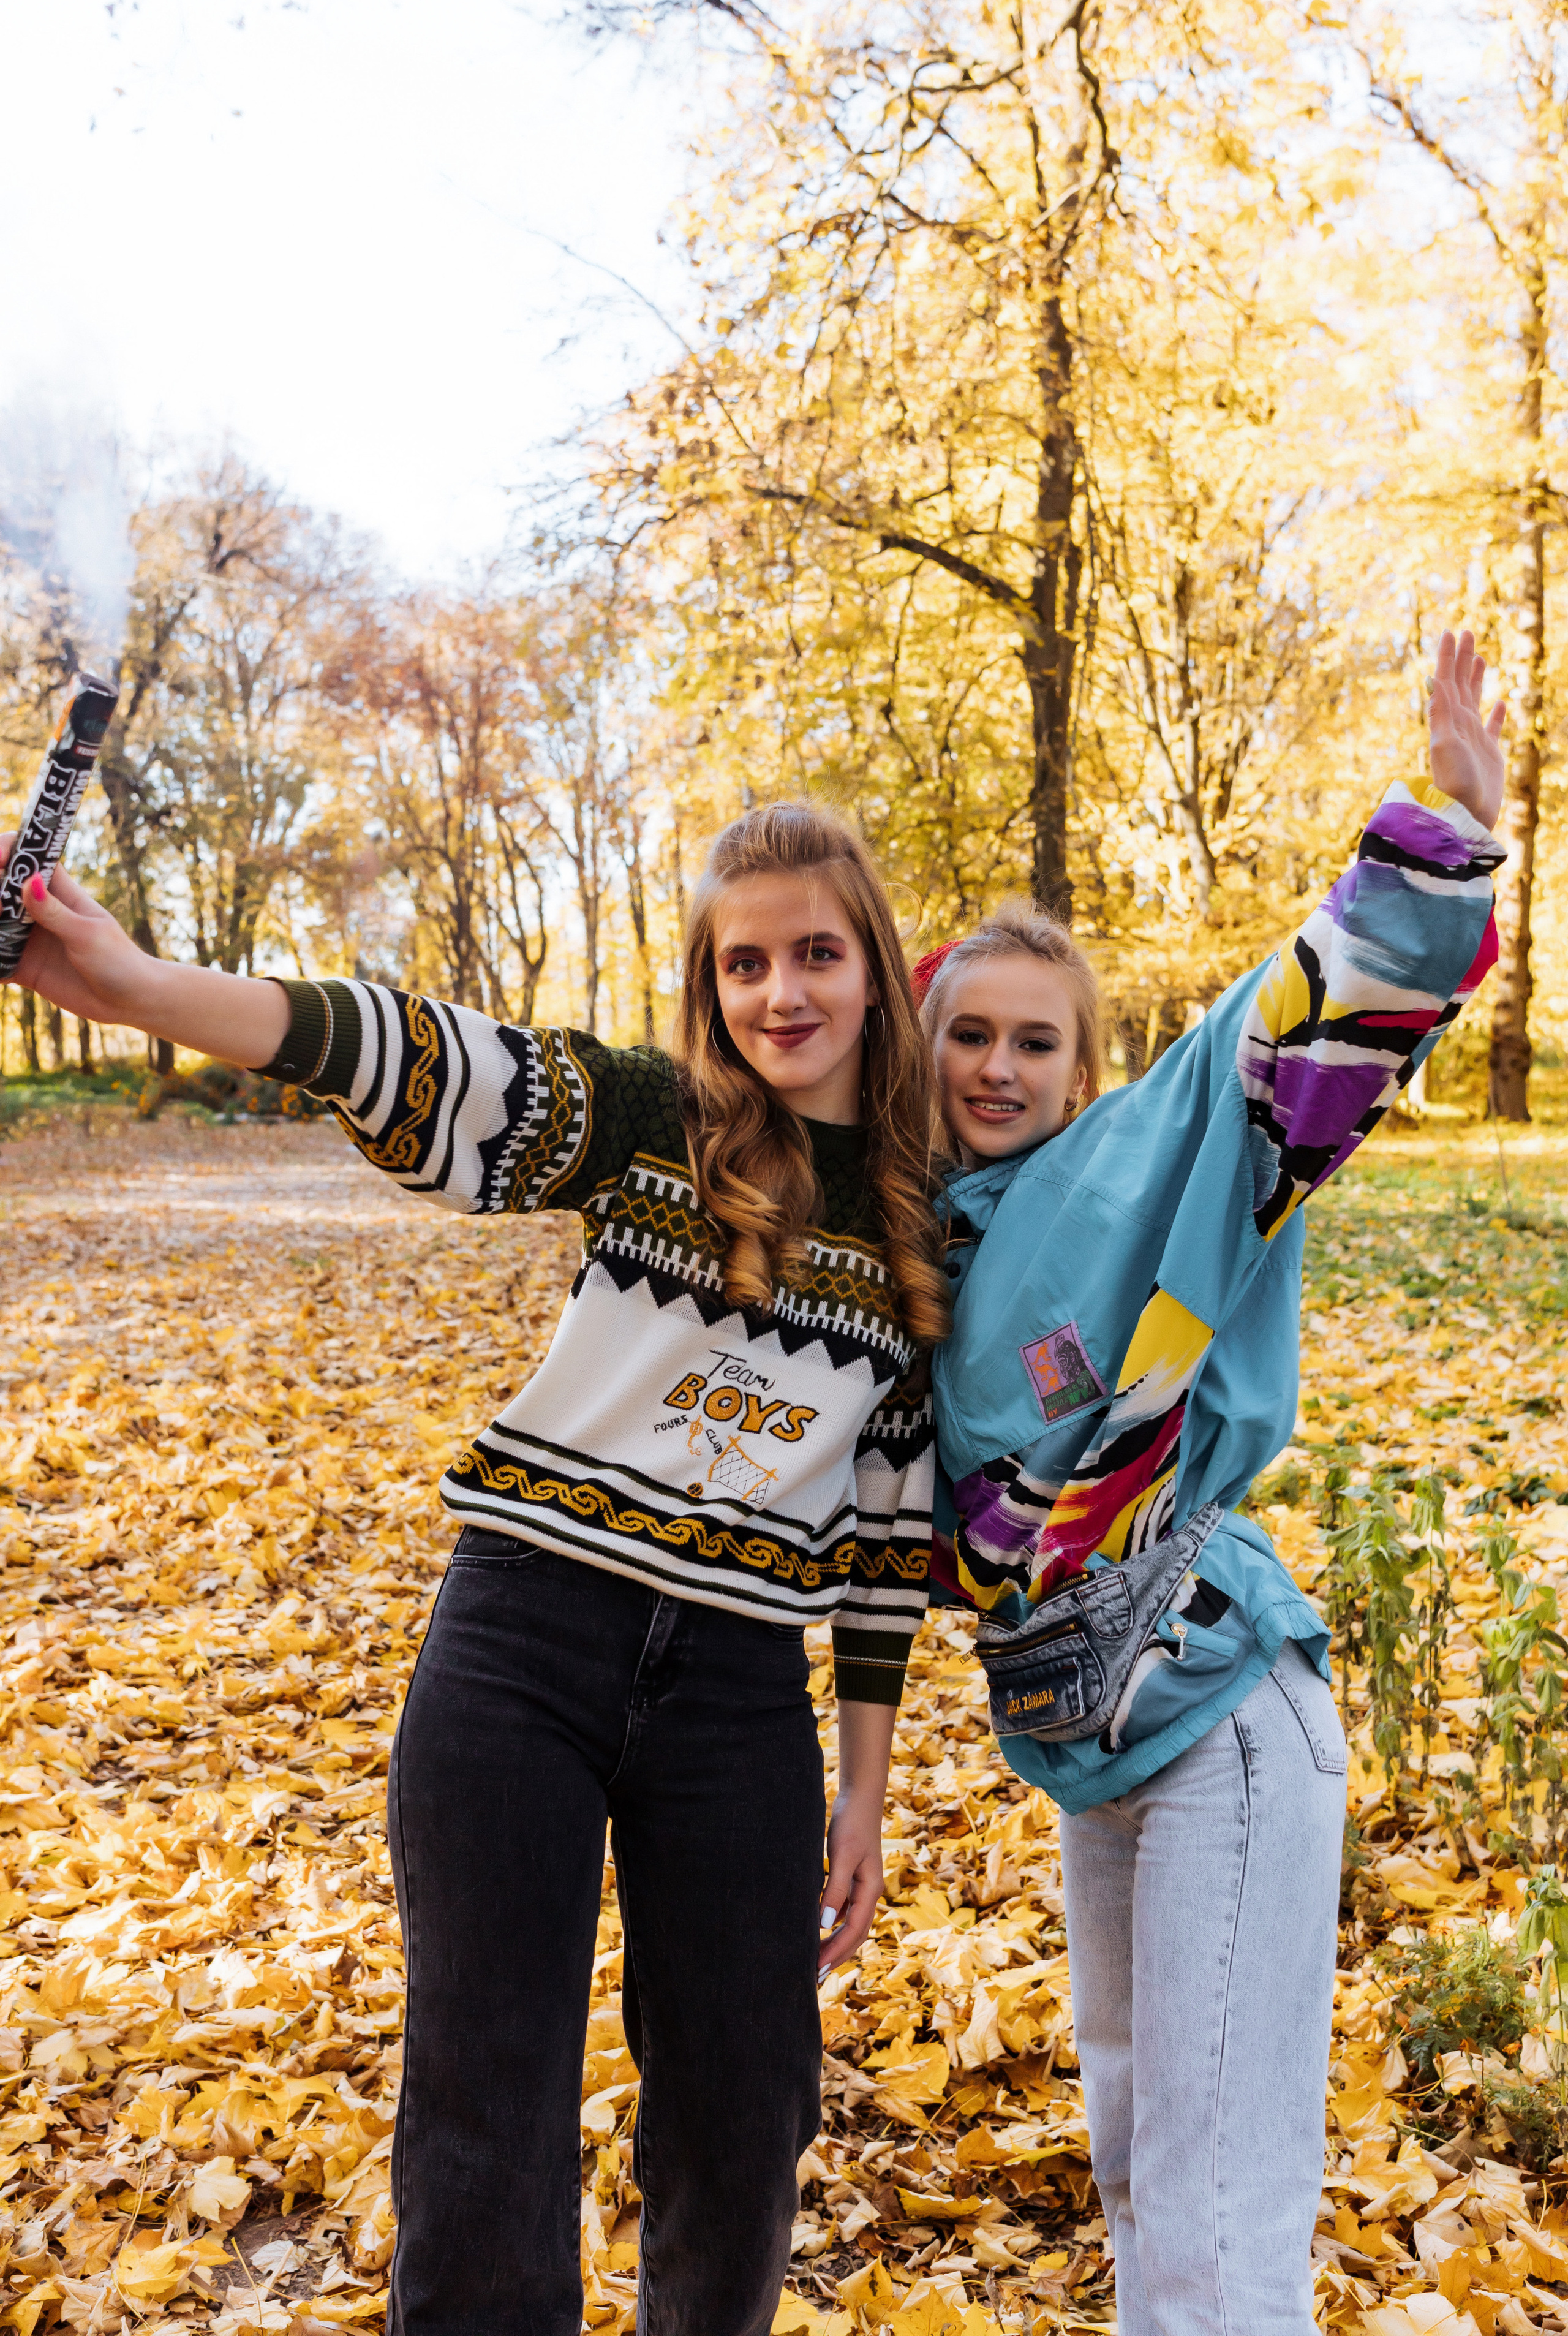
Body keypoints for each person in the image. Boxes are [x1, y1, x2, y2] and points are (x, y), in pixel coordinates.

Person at [2, 801, 949, 2336]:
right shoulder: (654, 1120)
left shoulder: (921, 1222)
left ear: (875, 970)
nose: (780, 993)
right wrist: (141, 987)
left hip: (737, 1694)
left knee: (746, 2108)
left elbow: (892, 1528)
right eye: (743, 963)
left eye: (816, 955)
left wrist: (863, 1783)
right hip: (525, 1645)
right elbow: (423, 1057)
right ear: (707, 981)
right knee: (485, 2112)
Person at [915, 629, 1505, 2335]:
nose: (999, 1069)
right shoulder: (925, 1250)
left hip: (1222, 1717)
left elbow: (1264, 1049)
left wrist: (1440, 846)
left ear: (1084, 1075)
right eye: (968, 1036)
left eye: (1036, 1043)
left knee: (1213, 2237)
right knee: (1138, 2182)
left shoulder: (1125, 1169)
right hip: (1092, 1746)